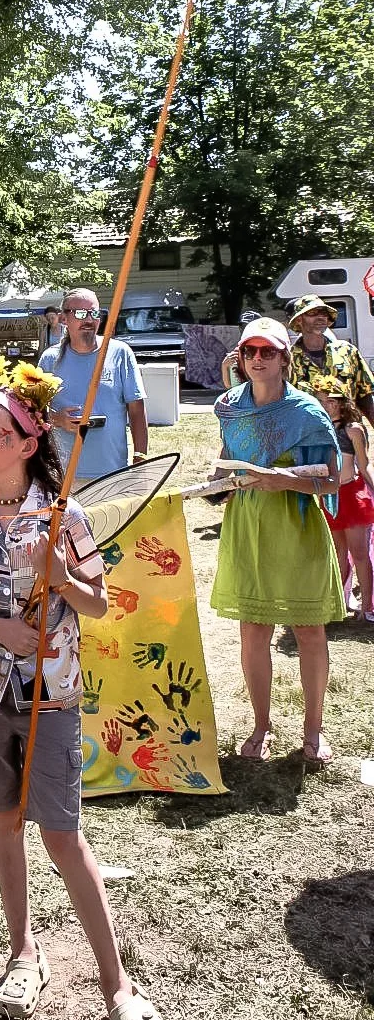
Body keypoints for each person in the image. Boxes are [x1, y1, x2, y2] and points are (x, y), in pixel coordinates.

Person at [0, 358, 168, 1020]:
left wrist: (59, 574)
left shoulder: (67, 515)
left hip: (52, 695)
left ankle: (117, 987)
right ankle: (22, 953)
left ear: (29, 444)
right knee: (3, 823)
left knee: (61, 836)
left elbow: (97, 601)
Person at [211, 318, 343, 764]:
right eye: (250, 351)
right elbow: (226, 465)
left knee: (308, 630)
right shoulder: (228, 406)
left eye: (268, 351)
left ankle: (314, 730)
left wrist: (280, 479)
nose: (257, 359)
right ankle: (260, 726)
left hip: (298, 525)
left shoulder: (306, 413)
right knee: (253, 630)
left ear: (286, 359)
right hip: (247, 526)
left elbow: (329, 481)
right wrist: (217, 482)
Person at [39, 290, 148, 483]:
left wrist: (140, 458)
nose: (89, 320)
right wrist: (58, 419)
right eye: (81, 314)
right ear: (64, 318)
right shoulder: (50, 359)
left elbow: (137, 410)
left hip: (112, 473)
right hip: (64, 475)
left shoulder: (119, 353)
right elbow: (33, 413)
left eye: (94, 313)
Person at [309, 374, 374, 623]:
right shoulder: (319, 430)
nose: (325, 405)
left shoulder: (353, 430)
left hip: (353, 495)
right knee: (337, 552)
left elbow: (364, 464)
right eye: (321, 401)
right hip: (330, 496)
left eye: (330, 400)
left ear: (340, 402)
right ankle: (340, 601)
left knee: (360, 553)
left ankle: (367, 606)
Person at [286, 296, 374, 424]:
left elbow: (365, 396)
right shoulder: (287, 359)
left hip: (350, 436)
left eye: (324, 313)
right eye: (312, 313)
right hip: (309, 437)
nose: (320, 317)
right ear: (299, 319)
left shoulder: (347, 351)